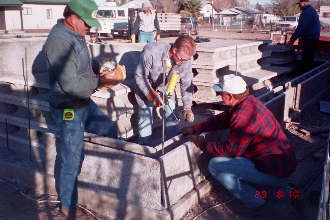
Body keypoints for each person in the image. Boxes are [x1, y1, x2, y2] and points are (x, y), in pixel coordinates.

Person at [44, 0, 124, 218]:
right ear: (73, 17)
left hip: (83, 103)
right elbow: (70, 86)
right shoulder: (59, 42)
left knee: (109, 129)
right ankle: (67, 207)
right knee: (71, 157)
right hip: (67, 108)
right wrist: (101, 83)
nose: (90, 27)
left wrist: (99, 70)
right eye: (87, 22)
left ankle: (104, 182)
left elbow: (84, 66)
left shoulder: (76, 35)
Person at [181, 74, 297, 210]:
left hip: (274, 170)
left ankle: (256, 202)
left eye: (221, 93)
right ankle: (286, 191)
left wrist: (203, 144)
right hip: (283, 165)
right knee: (243, 163)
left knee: (216, 165)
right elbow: (222, 119)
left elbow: (231, 151)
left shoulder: (242, 116)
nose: (219, 96)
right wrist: (195, 128)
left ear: (230, 96)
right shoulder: (249, 101)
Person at [135, 35, 196, 146]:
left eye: (185, 60)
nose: (181, 62)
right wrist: (153, 98)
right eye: (180, 59)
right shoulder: (152, 52)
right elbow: (140, 77)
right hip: (146, 87)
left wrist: (187, 107)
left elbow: (186, 83)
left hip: (165, 88)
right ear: (174, 50)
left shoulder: (185, 59)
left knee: (172, 115)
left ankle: (170, 146)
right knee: (145, 117)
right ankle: (145, 148)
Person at [287, 0, 320, 71]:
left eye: (300, 4)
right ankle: (308, 73)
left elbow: (301, 28)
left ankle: (305, 74)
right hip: (313, 38)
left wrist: (292, 40)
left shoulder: (307, 12)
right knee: (309, 57)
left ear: (304, 3)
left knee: (306, 58)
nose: (299, 6)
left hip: (309, 38)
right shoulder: (311, 10)